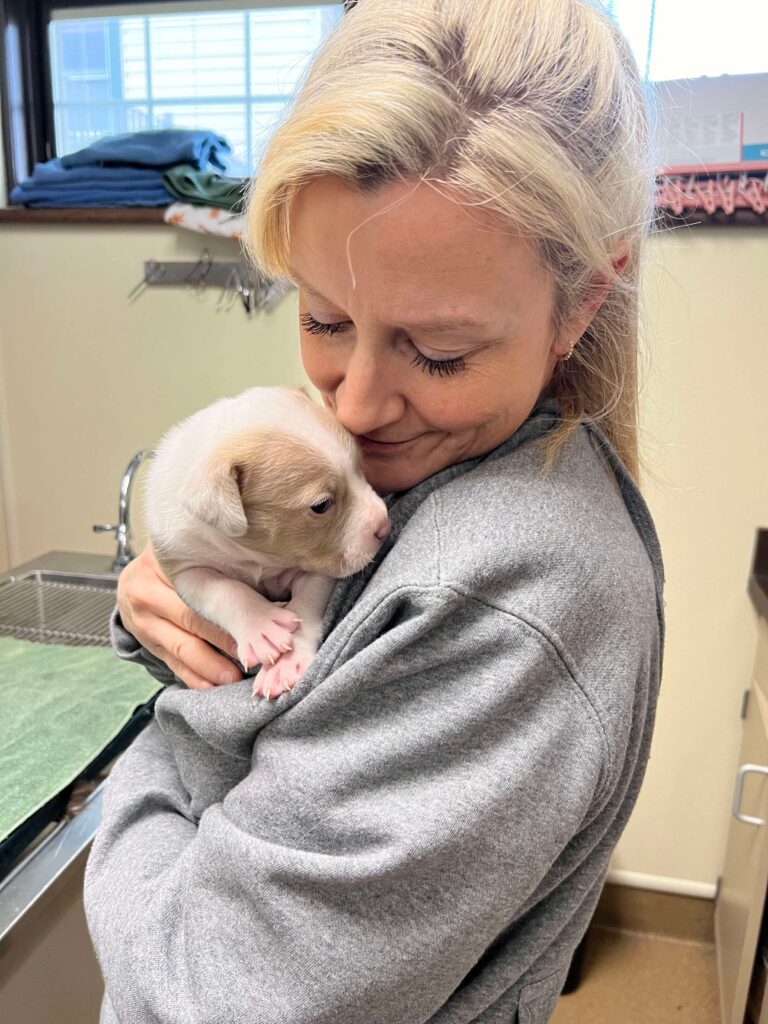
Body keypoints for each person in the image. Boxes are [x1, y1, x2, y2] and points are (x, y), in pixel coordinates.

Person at [83, 1, 665, 1021]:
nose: (352, 406)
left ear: (583, 300)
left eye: (437, 351)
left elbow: (192, 994)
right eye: (323, 318)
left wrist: (151, 746)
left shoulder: (504, 594)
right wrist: (179, 606)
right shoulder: (431, 471)